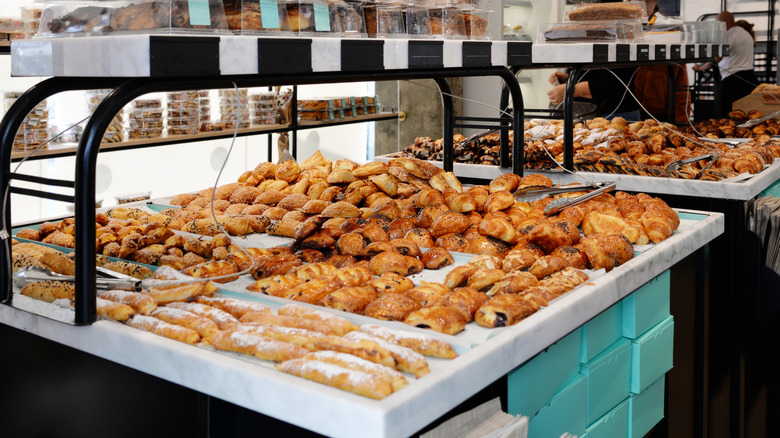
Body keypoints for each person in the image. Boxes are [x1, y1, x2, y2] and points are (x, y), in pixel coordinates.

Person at [694, 11, 757, 115]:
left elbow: (718, 57)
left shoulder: (730, 34)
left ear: (723, 23)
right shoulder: (745, 33)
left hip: (734, 82)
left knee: (727, 115)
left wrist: (701, 66)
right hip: (749, 79)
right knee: (746, 115)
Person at [547, 68, 640, 121]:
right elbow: (596, 74)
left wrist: (571, 90)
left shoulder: (617, 39)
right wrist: (569, 79)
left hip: (615, 114)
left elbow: (615, 82)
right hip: (587, 115)